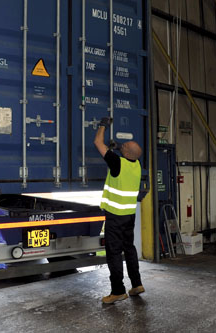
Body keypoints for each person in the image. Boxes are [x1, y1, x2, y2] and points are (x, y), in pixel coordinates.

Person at [94, 117, 145, 304]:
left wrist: (102, 125)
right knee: (129, 249)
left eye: (124, 146)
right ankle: (137, 284)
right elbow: (121, 154)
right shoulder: (136, 164)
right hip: (129, 216)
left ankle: (117, 291)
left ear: (126, 153)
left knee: (114, 253)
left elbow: (97, 142)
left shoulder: (117, 163)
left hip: (115, 217)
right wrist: (115, 148)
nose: (121, 146)